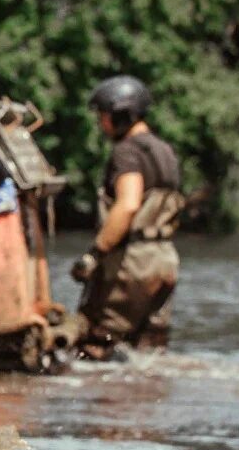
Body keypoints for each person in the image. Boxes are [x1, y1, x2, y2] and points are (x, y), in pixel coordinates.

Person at [71, 75, 185, 359]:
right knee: (150, 350)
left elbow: (129, 204)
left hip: (132, 262)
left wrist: (94, 255)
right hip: (164, 258)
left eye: (104, 115)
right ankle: (146, 403)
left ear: (121, 114)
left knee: (99, 343)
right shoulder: (165, 151)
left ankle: (109, 405)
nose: (101, 123)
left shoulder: (127, 152)